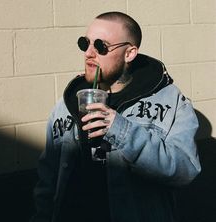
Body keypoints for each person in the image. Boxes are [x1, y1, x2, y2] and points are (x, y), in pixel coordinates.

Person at [31, 11, 201, 222]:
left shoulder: (170, 100)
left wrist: (122, 131)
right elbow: (48, 178)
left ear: (129, 53)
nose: (89, 53)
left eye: (101, 46)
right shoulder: (68, 102)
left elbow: (185, 169)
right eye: (85, 44)